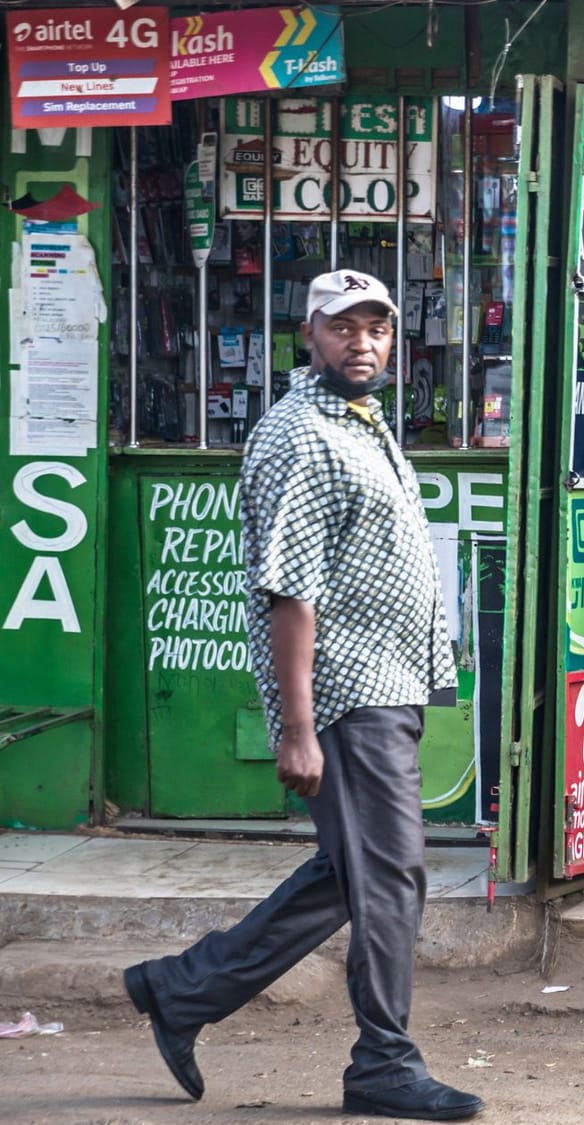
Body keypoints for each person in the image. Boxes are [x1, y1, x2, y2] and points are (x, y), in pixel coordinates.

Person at [122, 270, 483, 1119]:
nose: (362, 342)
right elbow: (290, 593)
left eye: (377, 327)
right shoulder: (298, 436)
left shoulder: (358, 419)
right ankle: (383, 1063)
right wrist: (297, 727)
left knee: (351, 870)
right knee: (391, 875)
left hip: (385, 684)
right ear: (307, 335)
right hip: (348, 695)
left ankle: (183, 989)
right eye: (342, 327)